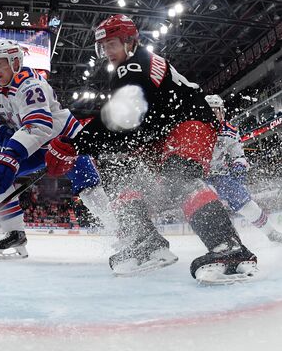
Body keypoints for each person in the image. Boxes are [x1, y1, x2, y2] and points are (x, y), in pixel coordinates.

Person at [45, 14, 257, 282]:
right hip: (160, 133)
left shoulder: (134, 66)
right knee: (124, 179)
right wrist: (83, 144)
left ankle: (231, 249)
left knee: (179, 177)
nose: (107, 52)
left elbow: (119, 120)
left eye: (112, 44)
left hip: (188, 123)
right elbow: (129, 127)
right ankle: (147, 243)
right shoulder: (130, 69)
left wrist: (74, 144)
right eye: (103, 47)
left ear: (130, 41)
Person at [0, 40, 118, 260]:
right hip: (33, 147)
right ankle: (15, 233)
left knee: (90, 190)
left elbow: (39, 125)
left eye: (0, 64)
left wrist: (11, 154)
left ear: (15, 62)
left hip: (66, 142)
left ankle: (123, 234)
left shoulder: (31, 85)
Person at [205, 94, 282, 242]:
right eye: (211, 111)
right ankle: (220, 241)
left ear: (223, 111)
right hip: (200, 175)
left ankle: (271, 233)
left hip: (220, 175)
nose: (215, 115)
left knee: (244, 201)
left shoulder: (230, 131)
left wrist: (239, 165)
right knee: (208, 205)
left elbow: (237, 153)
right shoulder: (194, 128)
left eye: (217, 110)